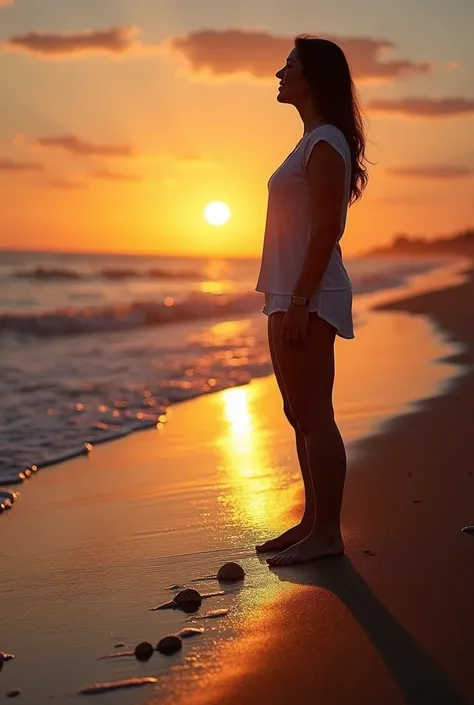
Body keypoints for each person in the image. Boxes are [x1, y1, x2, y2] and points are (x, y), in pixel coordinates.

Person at [254, 36, 369, 567]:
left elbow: (328, 227)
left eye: (290, 66)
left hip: (309, 293)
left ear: (313, 77)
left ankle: (327, 533)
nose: (280, 73)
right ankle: (310, 522)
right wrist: (286, 297)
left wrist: (300, 299)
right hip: (288, 292)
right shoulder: (310, 141)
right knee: (297, 412)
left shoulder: (325, 141)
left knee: (315, 414)